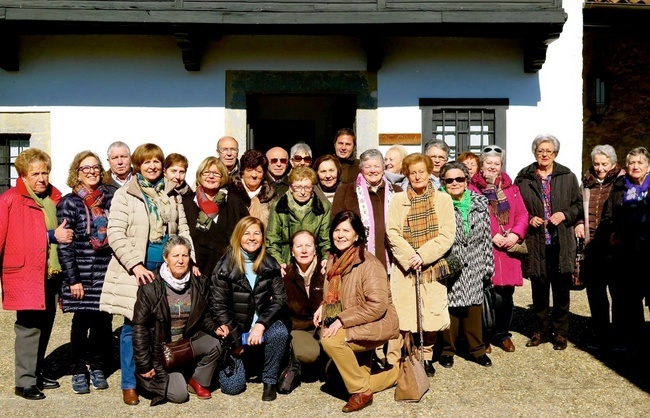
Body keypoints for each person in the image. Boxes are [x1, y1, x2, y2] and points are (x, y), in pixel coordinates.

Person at [100, 143, 193, 405]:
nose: (152, 166)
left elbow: (182, 229)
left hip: (165, 269)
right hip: (137, 270)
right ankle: (129, 383)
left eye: (156, 162)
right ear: (137, 166)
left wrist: (189, 258)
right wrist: (135, 265)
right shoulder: (125, 194)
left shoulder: (171, 193)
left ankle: (156, 377)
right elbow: (115, 233)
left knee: (162, 324)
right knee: (133, 325)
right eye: (146, 162)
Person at [0, 148, 73, 400]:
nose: (42, 178)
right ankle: (24, 382)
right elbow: (8, 238)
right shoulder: (10, 199)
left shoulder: (55, 198)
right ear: (23, 175)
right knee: (29, 327)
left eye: (45, 172)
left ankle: (36, 372)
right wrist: (51, 236)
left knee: (45, 325)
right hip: (25, 272)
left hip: (51, 272)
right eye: (35, 173)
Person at [315, 211, 400, 413]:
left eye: (346, 230)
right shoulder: (336, 260)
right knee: (336, 383)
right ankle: (395, 375)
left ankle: (362, 390)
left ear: (357, 236)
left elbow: (377, 306)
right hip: (355, 321)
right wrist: (323, 306)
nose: (340, 235)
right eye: (337, 230)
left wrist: (342, 321)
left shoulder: (369, 264)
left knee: (331, 340)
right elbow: (341, 294)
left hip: (375, 323)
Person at [132, 235, 223, 405]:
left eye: (185, 255)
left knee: (215, 344)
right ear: (166, 258)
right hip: (162, 352)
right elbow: (140, 328)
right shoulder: (151, 286)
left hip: (186, 347)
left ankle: (196, 379)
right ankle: (178, 377)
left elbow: (203, 317)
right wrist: (145, 364)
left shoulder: (199, 283)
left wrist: (215, 328)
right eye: (175, 256)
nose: (180, 260)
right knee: (179, 396)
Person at [386, 152, 455, 377]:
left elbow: (447, 234)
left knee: (430, 314)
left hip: (431, 267)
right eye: (412, 173)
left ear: (429, 173)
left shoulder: (442, 199)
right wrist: (410, 256)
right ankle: (407, 355)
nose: (417, 177)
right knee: (405, 314)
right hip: (405, 267)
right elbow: (392, 232)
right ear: (407, 175)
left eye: (421, 172)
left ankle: (426, 356)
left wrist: (423, 256)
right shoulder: (397, 200)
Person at [210, 216, 290, 401]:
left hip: (262, 329)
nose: (252, 237)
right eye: (246, 233)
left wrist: (261, 324)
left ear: (263, 237)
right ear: (238, 236)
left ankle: (269, 381)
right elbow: (219, 307)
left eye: (257, 233)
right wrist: (236, 342)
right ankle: (246, 363)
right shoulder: (224, 267)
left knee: (280, 332)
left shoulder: (270, 264)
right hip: (236, 332)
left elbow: (280, 300)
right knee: (232, 388)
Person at [514, 134, 582, 351]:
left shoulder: (567, 176)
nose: (544, 154)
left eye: (549, 151)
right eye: (540, 150)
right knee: (539, 289)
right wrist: (529, 218)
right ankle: (540, 331)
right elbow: (518, 207)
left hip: (560, 241)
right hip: (537, 241)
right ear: (535, 152)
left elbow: (578, 206)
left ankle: (560, 333)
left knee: (562, 289)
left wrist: (564, 215)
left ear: (555, 154)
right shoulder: (523, 177)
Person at [57, 151, 114, 394]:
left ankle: (99, 366)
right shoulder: (69, 202)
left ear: (101, 172)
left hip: (105, 272)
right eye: (85, 168)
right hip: (81, 272)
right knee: (81, 323)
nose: (91, 171)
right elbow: (65, 245)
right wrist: (73, 280)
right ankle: (79, 368)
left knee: (103, 322)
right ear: (77, 173)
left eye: (95, 167)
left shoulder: (109, 198)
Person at [470, 145, 529, 353]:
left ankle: (502, 333)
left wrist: (515, 234)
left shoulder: (511, 189)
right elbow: (474, 216)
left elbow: (522, 214)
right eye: (488, 163)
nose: (492, 167)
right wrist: (493, 234)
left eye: (497, 163)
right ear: (481, 164)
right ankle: (484, 335)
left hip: (509, 248)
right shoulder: (472, 188)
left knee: (506, 294)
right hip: (487, 247)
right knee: (486, 294)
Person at [438, 161, 493, 368]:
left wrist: (488, 266)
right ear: (443, 182)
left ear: (466, 180)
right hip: (451, 261)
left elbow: (487, 236)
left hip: (475, 261)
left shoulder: (480, 203)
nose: (454, 183)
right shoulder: (439, 202)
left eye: (459, 179)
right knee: (449, 308)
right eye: (449, 180)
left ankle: (476, 349)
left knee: (473, 308)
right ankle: (447, 349)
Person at [598, 147, 650, 353]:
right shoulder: (620, 187)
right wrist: (613, 230)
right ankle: (630, 339)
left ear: (648, 166)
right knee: (628, 298)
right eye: (631, 163)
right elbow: (609, 215)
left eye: (640, 162)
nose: (635, 166)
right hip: (626, 251)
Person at [576, 145, 624, 349]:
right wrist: (578, 222)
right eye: (596, 163)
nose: (600, 168)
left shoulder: (621, 182)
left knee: (618, 293)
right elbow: (578, 206)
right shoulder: (587, 182)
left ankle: (620, 336)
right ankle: (600, 334)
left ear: (613, 163)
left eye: (604, 164)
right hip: (591, 245)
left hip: (613, 247)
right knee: (596, 294)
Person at [332, 149, 400, 272]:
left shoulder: (397, 192)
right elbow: (335, 227)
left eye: (377, 166)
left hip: (393, 262)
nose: (373, 170)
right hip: (356, 263)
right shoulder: (345, 192)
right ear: (361, 169)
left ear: (383, 168)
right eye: (368, 166)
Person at [182, 156, 249, 279]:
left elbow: (246, 230)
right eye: (206, 172)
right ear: (200, 176)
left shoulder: (234, 201)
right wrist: (189, 261)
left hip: (229, 269)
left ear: (223, 177)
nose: (211, 176)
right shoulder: (187, 202)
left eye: (216, 173)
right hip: (197, 270)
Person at [266, 166, 331, 275]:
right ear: (291, 188)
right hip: (286, 263)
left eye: (307, 187)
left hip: (315, 264)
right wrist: (278, 262)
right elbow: (272, 240)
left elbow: (325, 240)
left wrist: (326, 259)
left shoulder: (323, 208)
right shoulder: (278, 207)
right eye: (298, 187)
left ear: (313, 188)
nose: (302, 192)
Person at [282, 230, 325, 368]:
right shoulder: (285, 275)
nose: (304, 250)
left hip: (324, 326)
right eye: (299, 246)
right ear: (292, 251)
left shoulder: (326, 272)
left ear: (315, 249)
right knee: (308, 354)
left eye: (308, 245)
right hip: (299, 327)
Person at [229, 149, 277, 226]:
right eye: (249, 170)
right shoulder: (230, 193)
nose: (254, 175)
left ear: (264, 174)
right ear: (242, 172)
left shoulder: (272, 198)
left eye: (258, 171)